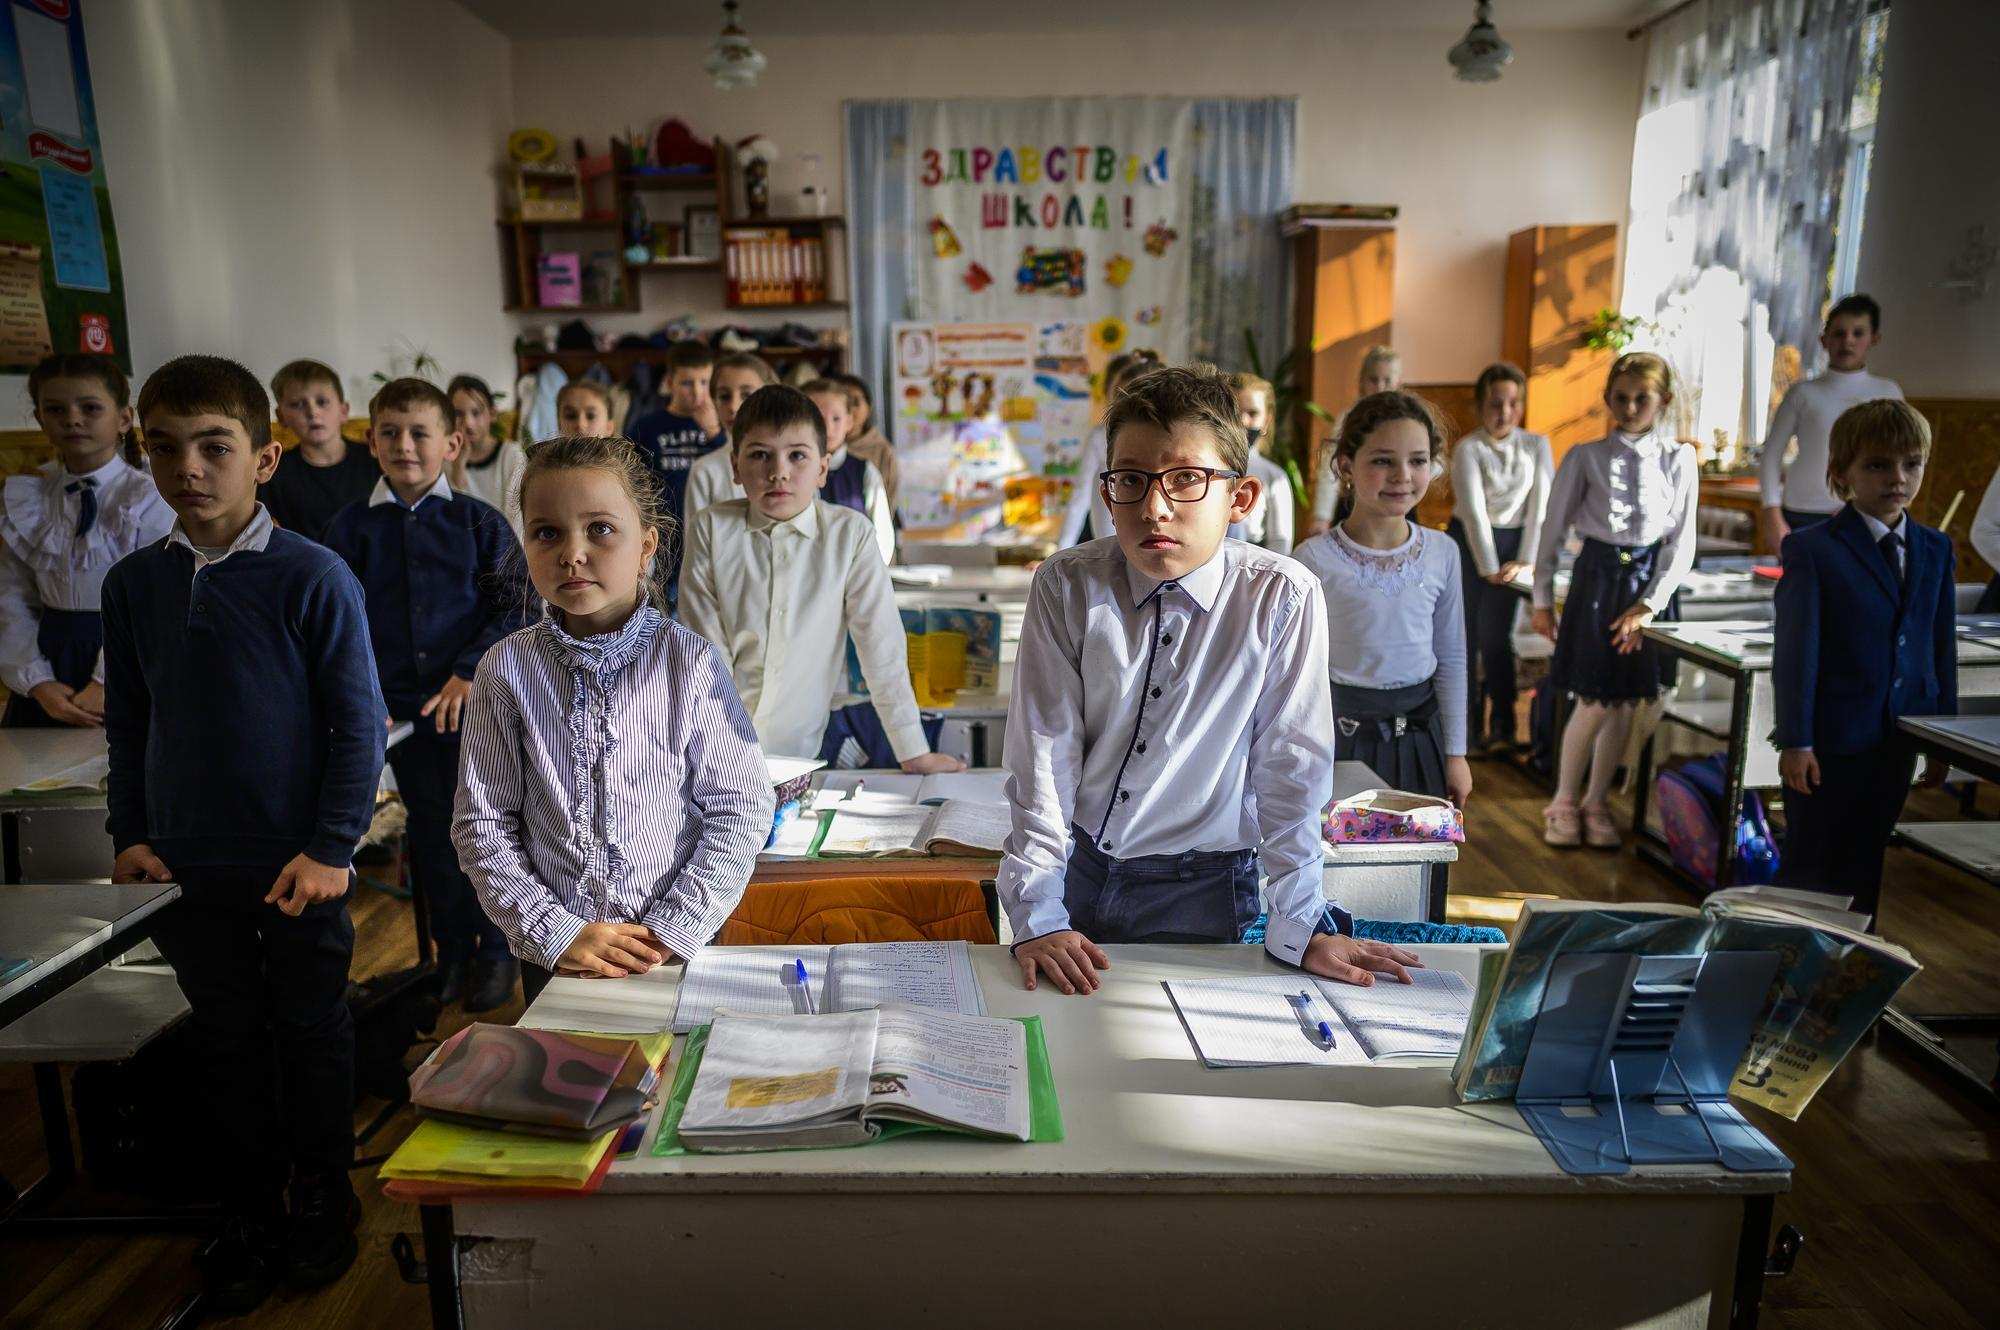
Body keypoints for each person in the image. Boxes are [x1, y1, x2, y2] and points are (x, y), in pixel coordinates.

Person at [105, 354, 387, 1313]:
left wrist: (333, 846)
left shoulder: (314, 575)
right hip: (185, 858)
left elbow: (357, 723)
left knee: (309, 1024)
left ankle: (322, 1190)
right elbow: (129, 720)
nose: (189, 467)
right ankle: (250, 1197)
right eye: (164, 447)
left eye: (214, 446)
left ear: (264, 459)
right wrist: (130, 832)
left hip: (296, 861)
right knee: (223, 1031)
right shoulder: (134, 583)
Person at [997, 362, 1420, 995]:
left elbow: (1291, 770)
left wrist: (1301, 924)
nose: (1154, 507)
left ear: (1240, 499)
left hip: (1206, 887)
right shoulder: (1068, 584)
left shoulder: (1280, 596)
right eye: (1131, 481)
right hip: (1077, 874)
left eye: (1186, 479)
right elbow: (1043, 759)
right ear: (1107, 494)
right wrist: (1037, 916)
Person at [454, 434, 775, 1005]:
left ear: (647, 546)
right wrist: (557, 933)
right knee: (568, 1063)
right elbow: (483, 824)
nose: (572, 553)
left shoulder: (690, 663)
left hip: (673, 949)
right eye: (547, 533)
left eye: (599, 529)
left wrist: (671, 928)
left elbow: (741, 807)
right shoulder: (505, 671)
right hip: (559, 956)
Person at [321, 378, 523, 1010]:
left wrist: (468, 671)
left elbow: (515, 606)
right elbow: (338, 622)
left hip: (477, 710)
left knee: (488, 832)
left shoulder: (479, 522)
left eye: (419, 433)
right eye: (390, 433)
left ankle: (498, 952)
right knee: (432, 835)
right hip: (401, 717)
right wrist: (366, 696)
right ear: (371, 443)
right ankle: (451, 952)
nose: (404, 445)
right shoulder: (350, 528)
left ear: (452, 444)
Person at [680, 385, 963, 774]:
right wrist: (725, 755)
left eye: (797, 455)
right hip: (710, 748)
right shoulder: (710, 528)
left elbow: (881, 647)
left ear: (823, 469)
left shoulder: (850, 535)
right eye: (759, 455)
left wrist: (913, 751)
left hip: (802, 756)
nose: (778, 472)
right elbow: (706, 652)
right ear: (735, 467)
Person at [1773, 399, 1954, 920]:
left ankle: (1853, 961)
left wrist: (1943, 737)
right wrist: (1797, 741)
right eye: (1878, 465)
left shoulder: (1935, 549)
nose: (1897, 478)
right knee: (1812, 866)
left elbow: (1940, 646)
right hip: (1829, 742)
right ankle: (1795, 962)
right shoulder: (1813, 549)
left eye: (1911, 464)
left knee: (1866, 860)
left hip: (1898, 739)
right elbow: (1796, 654)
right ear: (1841, 472)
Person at [1531, 352, 1698, 850]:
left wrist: (1651, 604)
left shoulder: (1679, 459)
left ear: (1662, 400)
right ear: (1608, 399)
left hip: (1649, 586)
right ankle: (1563, 801)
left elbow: (1682, 542)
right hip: (1598, 584)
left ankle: (1597, 801)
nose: (1629, 407)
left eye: (1641, 398)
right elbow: (1552, 529)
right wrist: (1541, 597)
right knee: (1594, 701)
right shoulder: (1585, 457)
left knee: (1625, 704)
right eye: (1620, 398)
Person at [1294, 391, 1471, 807]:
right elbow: (1295, 673)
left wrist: (1455, 754)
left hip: (1420, 738)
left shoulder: (1443, 552)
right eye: (1382, 461)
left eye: (1418, 460)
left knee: (1415, 846)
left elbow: (1452, 656)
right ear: (1346, 466)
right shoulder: (1313, 560)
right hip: (1337, 740)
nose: (1402, 476)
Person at [0, 354, 174, 728]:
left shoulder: (149, 497)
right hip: (50, 669)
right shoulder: (30, 499)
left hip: (129, 659)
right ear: (39, 419)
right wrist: (37, 680)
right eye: (56, 409)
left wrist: (105, 681)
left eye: (90, 408)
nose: (73, 419)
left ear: (124, 419)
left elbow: (159, 597)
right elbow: (12, 597)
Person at [1448, 362, 1553, 755]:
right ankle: (1466, 731)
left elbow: (1540, 508)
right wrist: (1489, 567)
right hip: (1470, 543)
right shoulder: (1468, 448)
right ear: (1480, 406)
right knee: (1465, 639)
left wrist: (1526, 561)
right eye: (1495, 403)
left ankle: (1504, 727)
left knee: (1497, 638)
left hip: (1515, 547)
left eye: (1513, 404)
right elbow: (1474, 512)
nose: (1504, 412)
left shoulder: (1537, 445)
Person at [1757, 294, 1903, 553]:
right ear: (1824, 340)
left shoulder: (1888, 392)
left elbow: (1900, 457)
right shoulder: (1802, 393)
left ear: (1874, 338)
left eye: (1858, 333)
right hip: (1803, 512)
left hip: (1867, 513)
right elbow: (1771, 455)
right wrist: (1772, 513)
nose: (1847, 341)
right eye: (1839, 333)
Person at [258, 359, 378, 541]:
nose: (312, 413)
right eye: (297, 404)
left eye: (322, 402)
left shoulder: (375, 460)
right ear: (281, 416)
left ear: (343, 410)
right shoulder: (272, 472)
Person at [1056, 348, 1160, 548]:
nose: (1121, 410)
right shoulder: (1099, 437)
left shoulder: (1168, 439)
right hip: (1111, 542)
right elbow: (1080, 497)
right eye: (1116, 400)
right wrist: (1060, 550)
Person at [1305, 345, 1401, 538]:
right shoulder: (1348, 419)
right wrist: (1322, 516)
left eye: (1387, 380)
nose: (1380, 387)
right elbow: (1330, 466)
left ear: (1398, 383)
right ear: (1362, 381)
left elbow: (1432, 463)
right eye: (1373, 380)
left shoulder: (1408, 420)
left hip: (1398, 504)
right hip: (1354, 504)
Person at [804, 377, 896, 564]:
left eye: (836, 419)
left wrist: (871, 573)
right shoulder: (791, 472)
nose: (827, 427)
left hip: (856, 572)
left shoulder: (864, 471)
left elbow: (882, 536)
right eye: (817, 418)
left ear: (849, 421)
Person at [682, 352, 778, 521]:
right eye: (724, 396)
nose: (733, 407)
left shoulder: (796, 463)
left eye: (746, 395)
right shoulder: (704, 471)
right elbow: (694, 534)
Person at [449, 373, 525, 536]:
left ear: (492, 414)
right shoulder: (446, 460)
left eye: (476, 413)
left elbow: (516, 521)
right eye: (458, 414)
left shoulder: (511, 455)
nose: (468, 423)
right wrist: (458, 468)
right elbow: (452, 520)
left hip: (503, 545)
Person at [1228, 371, 1295, 555]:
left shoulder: (1274, 476)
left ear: (1266, 420)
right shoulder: (1205, 465)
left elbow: (1281, 542)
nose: (1243, 421)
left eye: (1252, 413)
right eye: (1235, 412)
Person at [831, 370, 898, 507]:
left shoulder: (881, 450)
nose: (849, 409)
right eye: (843, 403)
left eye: (855, 402)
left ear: (869, 407)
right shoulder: (822, 447)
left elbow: (888, 501)